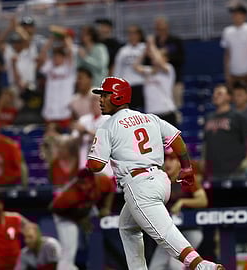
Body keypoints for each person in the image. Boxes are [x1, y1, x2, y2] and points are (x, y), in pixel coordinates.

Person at [87, 77, 224, 269]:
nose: (100, 100)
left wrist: (92, 151)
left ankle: (203, 266)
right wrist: (186, 167)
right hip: (161, 181)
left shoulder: (107, 127)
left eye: (105, 95)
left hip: (139, 185)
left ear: (118, 97)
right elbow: (176, 139)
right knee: (127, 227)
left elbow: (95, 166)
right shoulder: (148, 117)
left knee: (165, 233)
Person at [149, 147, 208, 270]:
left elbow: (203, 200)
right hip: (170, 233)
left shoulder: (187, 179)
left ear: (179, 162)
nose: (168, 163)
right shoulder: (161, 181)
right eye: (166, 160)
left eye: (172, 159)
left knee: (174, 265)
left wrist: (183, 202)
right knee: (155, 266)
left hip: (190, 230)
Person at [50, 168, 116, 270]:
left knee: (95, 236)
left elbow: (111, 189)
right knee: (69, 251)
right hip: (65, 215)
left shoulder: (102, 180)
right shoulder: (71, 193)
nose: (83, 186)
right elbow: (54, 208)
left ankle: (96, 265)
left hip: (86, 209)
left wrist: (106, 207)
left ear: (93, 180)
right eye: (80, 183)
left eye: (85, 183)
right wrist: (79, 220)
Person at [203, 85, 247, 180]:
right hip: (214, 171)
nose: (215, 96)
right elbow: (205, 142)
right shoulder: (208, 117)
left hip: (235, 171)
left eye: (219, 93)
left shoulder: (238, 116)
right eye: (214, 93)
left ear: (228, 97)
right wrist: (203, 159)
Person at [134, 35, 177, 126]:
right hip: (152, 114)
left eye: (158, 56)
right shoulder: (148, 71)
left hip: (166, 112)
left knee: (170, 140)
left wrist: (152, 45)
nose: (154, 58)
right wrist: (144, 52)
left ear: (165, 59)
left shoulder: (168, 69)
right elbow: (135, 66)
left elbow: (158, 61)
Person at [39, 34, 76, 129]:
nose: (56, 58)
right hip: (50, 110)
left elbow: (71, 51)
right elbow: (43, 53)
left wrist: (66, 37)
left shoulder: (69, 67)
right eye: (55, 56)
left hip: (64, 110)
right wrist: (51, 39)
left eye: (59, 56)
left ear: (64, 57)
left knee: (64, 138)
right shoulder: (49, 66)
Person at [221, 3, 247, 91]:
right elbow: (227, 54)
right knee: (235, 100)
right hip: (234, 73)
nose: (234, 16)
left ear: (244, 15)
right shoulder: (227, 31)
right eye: (233, 13)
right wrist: (227, 73)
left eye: (237, 13)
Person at [71, 94, 111, 173]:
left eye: (97, 100)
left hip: (104, 165)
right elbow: (74, 143)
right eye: (92, 101)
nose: (95, 103)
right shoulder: (83, 119)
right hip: (85, 163)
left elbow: (105, 138)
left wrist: (86, 131)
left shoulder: (108, 118)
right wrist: (81, 134)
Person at [3, 19, 37, 102]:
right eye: (15, 42)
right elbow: (0, 42)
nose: (16, 44)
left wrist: (17, 27)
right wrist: (11, 28)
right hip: (14, 88)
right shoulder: (10, 52)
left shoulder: (29, 50)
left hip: (29, 85)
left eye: (18, 42)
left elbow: (27, 40)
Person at [113, 25, 146, 111]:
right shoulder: (123, 51)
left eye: (134, 33)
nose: (132, 36)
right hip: (128, 87)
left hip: (142, 84)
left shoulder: (145, 48)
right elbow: (117, 69)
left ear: (139, 35)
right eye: (130, 33)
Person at [154, 17, 185, 108]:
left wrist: (165, 58)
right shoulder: (154, 43)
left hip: (175, 81)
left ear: (167, 27)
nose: (161, 31)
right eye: (158, 29)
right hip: (157, 83)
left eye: (162, 28)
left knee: (176, 106)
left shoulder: (176, 41)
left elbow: (181, 59)